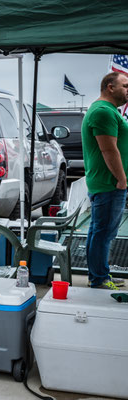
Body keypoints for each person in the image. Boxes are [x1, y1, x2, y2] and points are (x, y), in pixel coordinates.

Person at [82, 71, 128, 290]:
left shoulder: (108, 111)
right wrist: (121, 180)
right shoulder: (103, 112)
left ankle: (99, 274)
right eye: (126, 86)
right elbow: (109, 150)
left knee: (99, 231)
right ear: (111, 87)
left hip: (106, 183)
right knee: (104, 232)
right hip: (109, 183)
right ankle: (99, 278)